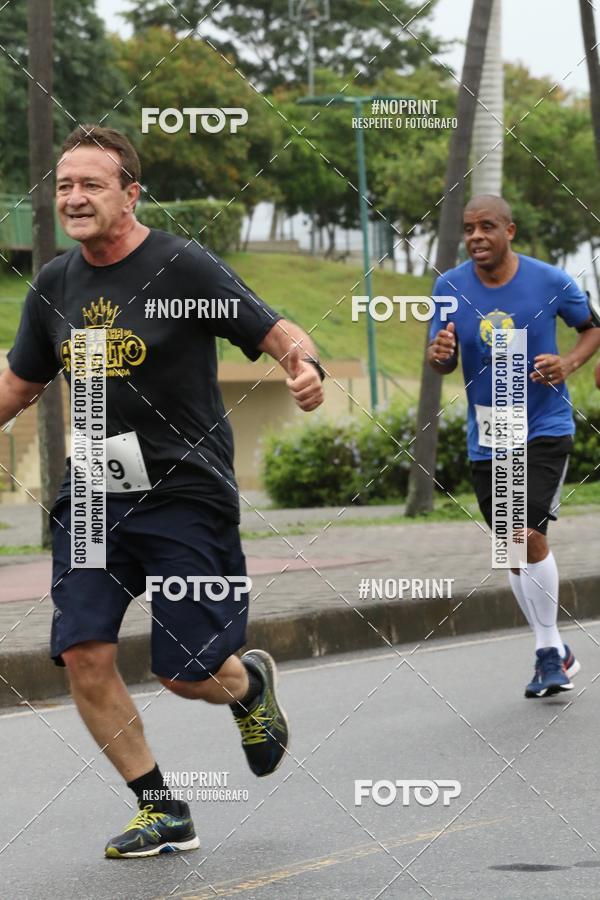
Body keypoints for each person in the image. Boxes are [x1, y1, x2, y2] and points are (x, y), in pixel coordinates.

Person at [0, 125, 325, 858]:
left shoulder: (182, 266)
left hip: (182, 492)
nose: (75, 198)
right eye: (64, 186)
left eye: (91, 184)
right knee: (83, 652)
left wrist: (303, 367)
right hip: (90, 495)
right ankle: (161, 807)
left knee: (184, 673)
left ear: (130, 192)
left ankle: (245, 687)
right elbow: (21, 382)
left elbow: (276, 331)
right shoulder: (54, 284)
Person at [428, 194, 600, 699]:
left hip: (545, 424)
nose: (476, 236)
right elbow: (440, 358)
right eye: (468, 228)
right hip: (491, 431)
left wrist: (567, 364)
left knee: (526, 532)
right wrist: (440, 355)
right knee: (510, 548)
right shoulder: (448, 286)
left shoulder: (551, 281)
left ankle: (549, 652)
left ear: (510, 231)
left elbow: (591, 329)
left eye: (486, 227)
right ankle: (556, 649)